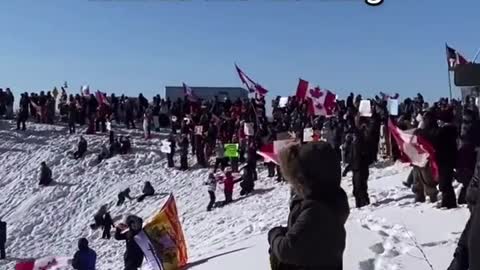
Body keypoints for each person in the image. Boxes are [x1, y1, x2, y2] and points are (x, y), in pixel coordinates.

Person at [268, 141, 349, 270]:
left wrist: (274, 235)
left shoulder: (316, 209)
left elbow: (287, 249)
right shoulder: (328, 197)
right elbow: (307, 236)